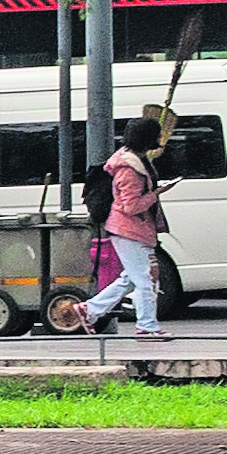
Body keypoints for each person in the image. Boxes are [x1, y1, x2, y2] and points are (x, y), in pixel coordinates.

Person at [78, 115, 171, 338]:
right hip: (129, 230)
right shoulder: (129, 170)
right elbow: (131, 207)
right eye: (157, 134)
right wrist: (156, 194)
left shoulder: (135, 161)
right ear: (148, 138)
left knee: (130, 280)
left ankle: (89, 310)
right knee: (145, 280)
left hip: (132, 229)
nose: (161, 137)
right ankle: (147, 327)